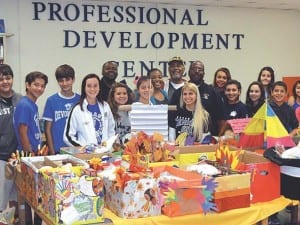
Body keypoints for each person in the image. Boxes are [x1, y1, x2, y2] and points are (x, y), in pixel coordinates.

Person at [14, 71, 48, 225]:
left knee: (37, 196)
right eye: (36, 85)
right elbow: (23, 133)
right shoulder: (24, 104)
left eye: (42, 86)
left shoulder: (32, 104)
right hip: (28, 157)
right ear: (27, 85)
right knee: (29, 198)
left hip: (35, 155)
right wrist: (30, 157)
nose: (39, 88)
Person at [171, 60, 225, 136]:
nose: (196, 71)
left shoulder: (213, 93)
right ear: (189, 72)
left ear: (204, 73)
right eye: (193, 69)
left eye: (200, 69)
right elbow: (171, 120)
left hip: (207, 140)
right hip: (180, 141)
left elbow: (221, 119)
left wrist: (219, 138)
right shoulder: (178, 92)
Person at [64, 73, 115, 147]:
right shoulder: (77, 109)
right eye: (89, 86)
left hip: (105, 153)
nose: (92, 89)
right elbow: (68, 137)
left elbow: (111, 130)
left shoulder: (105, 106)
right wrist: (83, 148)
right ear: (84, 88)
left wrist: (109, 146)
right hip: (86, 155)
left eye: (95, 86)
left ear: (99, 87)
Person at [0, 64, 22, 222]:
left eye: (7, 78)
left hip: (20, 158)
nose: (5, 82)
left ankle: (15, 220)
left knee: (18, 196)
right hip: (1, 157)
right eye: (1, 79)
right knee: (1, 197)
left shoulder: (20, 99)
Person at [42, 64, 80, 155]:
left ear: (73, 79)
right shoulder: (51, 100)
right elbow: (48, 129)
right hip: (58, 150)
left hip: (77, 149)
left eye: (67, 80)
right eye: (61, 81)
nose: (64, 83)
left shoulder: (80, 100)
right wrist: (52, 152)